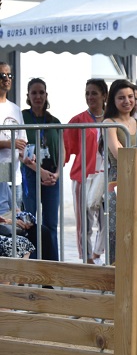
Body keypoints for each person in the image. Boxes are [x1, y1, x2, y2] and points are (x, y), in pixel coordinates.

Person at [102, 79, 137, 263]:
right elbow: (117, 152)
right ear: (113, 100)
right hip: (118, 181)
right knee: (117, 229)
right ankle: (114, 274)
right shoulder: (109, 122)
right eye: (121, 97)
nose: (127, 101)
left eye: (130, 97)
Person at [65, 78, 108, 263]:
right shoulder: (78, 120)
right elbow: (65, 149)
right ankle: (86, 259)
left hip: (106, 177)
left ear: (104, 95)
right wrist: (56, 171)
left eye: (94, 93)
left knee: (107, 221)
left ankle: (98, 252)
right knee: (85, 224)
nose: (90, 97)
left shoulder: (111, 119)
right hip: (83, 177)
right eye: (87, 93)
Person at [21, 78, 63, 261]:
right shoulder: (22, 117)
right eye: (34, 93)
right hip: (30, 174)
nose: (38, 96)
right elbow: (20, 150)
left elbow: (62, 149)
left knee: (51, 223)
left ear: (46, 95)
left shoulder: (54, 120)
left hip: (52, 175)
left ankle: (52, 264)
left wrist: (57, 174)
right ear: (28, 96)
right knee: (29, 222)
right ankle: (31, 262)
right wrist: (40, 172)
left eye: (41, 92)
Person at [0, 62, 26, 212]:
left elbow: (22, 142)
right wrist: (9, 143)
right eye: (2, 75)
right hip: (0, 174)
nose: (7, 79)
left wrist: (27, 156)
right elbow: (13, 142)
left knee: (16, 223)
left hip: (15, 175)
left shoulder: (15, 109)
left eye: (10, 75)